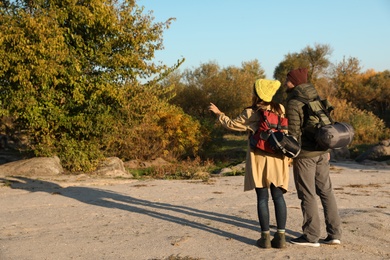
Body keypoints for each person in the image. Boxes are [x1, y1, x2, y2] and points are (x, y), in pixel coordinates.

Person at [209, 79, 290, 249]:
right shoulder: (280, 108)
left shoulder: (250, 112)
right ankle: (281, 237)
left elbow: (231, 124)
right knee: (278, 197)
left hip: (258, 157)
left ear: (257, 93)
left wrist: (219, 113)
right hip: (278, 158)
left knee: (262, 197)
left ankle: (265, 238)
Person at [285, 68, 342, 247]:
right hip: (322, 151)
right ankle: (334, 234)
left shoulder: (294, 102)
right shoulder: (316, 97)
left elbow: (293, 133)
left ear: (295, 81)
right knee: (326, 191)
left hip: (306, 155)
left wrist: (289, 153)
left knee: (307, 193)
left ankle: (311, 236)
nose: (285, 82)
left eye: (288, 79)